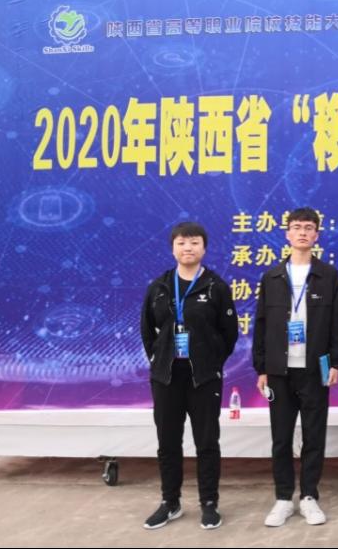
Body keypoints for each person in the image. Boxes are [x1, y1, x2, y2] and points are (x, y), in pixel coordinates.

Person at [140, 222, 238, 530]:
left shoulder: (215, 286)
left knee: (207, 442)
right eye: (182, 243)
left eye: (194, 243)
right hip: (167, 377)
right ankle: (170, 502)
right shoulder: (159, 287)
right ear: (173, 248)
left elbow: (229, 334)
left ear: (204, 248)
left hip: (203, 377)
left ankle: (209, 503)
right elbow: (148, 331)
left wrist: (210, 361)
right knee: (168, 441)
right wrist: (160, 359)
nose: (188, 248)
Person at [252, 208, 338, 527]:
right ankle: (282, 498)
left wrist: (336, 361)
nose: (302, 232)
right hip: (279, 370)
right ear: (287, 234)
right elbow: (261, 324)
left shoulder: (328, 276)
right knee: (281, 438)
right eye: (296, 227)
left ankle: (308, 497)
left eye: (308, 228)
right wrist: (261, 368)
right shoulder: (272, 277)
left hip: (314, 369)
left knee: (313, 436)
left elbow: (336, 323)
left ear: (316, 235)